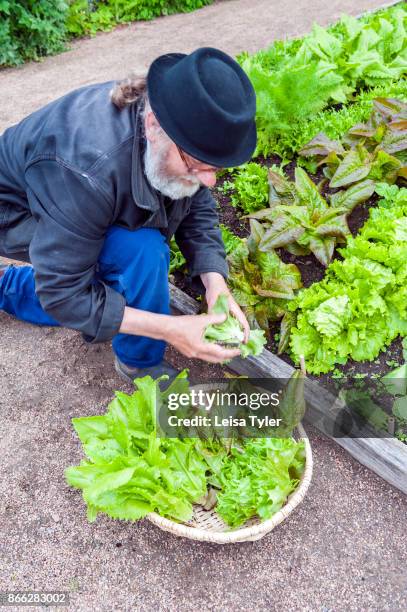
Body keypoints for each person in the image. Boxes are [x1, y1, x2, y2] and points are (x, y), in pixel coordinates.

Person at [0, 47, 257, 382]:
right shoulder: (86, 167)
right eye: (198, 165)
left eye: (215, 169)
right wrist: (170, 328)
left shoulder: (177, 128)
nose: (209, 180)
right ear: (153, 125)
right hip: (16, 210)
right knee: (138, 254)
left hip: (79, 200)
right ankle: (139, 362)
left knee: (119, 272)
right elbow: (62, 293)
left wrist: (215, 282)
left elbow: (197, 202)